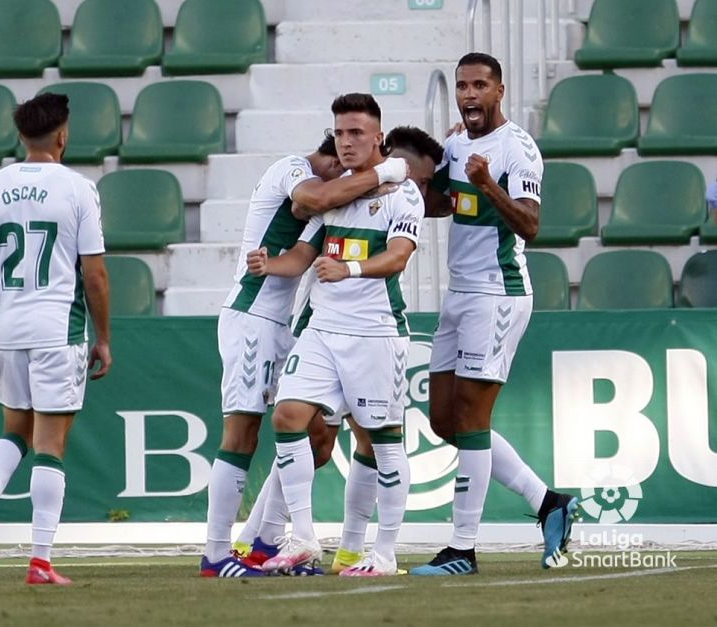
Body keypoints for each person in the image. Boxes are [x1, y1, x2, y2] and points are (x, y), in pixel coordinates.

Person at [233, 125, 443, 575]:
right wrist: (269, 264)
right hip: (322, 328)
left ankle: (372, 550)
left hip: (374, 333)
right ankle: (295, 538)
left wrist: (348, 268)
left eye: (357, 132)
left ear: (377, 139)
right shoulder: (334, 195)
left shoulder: (404, 197)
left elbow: (398, 256)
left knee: (377, 439)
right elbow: (303, 252)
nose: (347, 141)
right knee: (291, 420)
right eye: (341, 132)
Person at [409, 52, 577, 577]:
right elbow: (441, 205)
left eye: (480, 85)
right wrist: (417, 177)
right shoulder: (458, 144)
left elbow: (529, 225)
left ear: (499, 91)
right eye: (463, 86)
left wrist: (488, 185)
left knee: (473, 420)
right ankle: (548, 502)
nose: (469, 94)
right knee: (445, 421)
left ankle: (462, 548)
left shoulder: (518, 149)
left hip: (498, 294)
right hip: (459, 296)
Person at [0, 92, 112, 585]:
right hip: (58, 329)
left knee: (14, 431)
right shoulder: (77, 189)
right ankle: (41, 561)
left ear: (21, 136)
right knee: (51, 444)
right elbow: (95, 276)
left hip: (10, 330)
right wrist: (104, 337)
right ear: (63, 135)